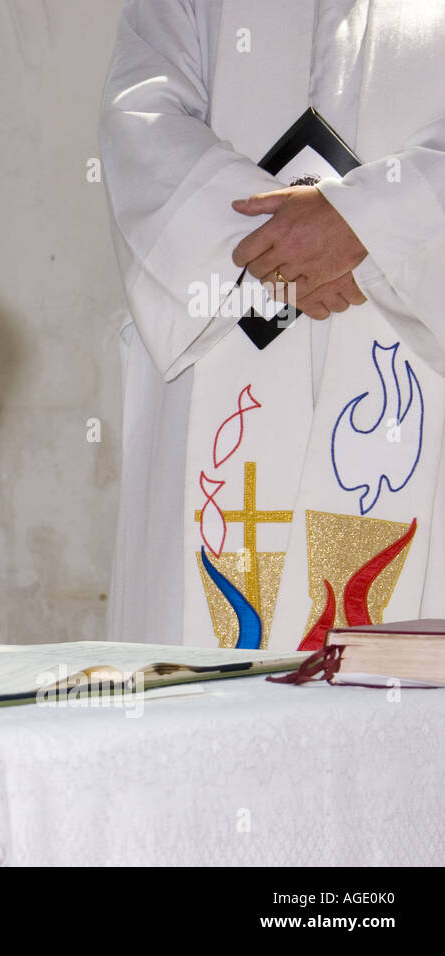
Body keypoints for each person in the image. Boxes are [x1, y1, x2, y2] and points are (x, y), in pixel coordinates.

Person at [99, 1, 445, 649]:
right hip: (223, 320)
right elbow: (138, 116)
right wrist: (283, 245)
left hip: (416, 345)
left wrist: (365, 224)